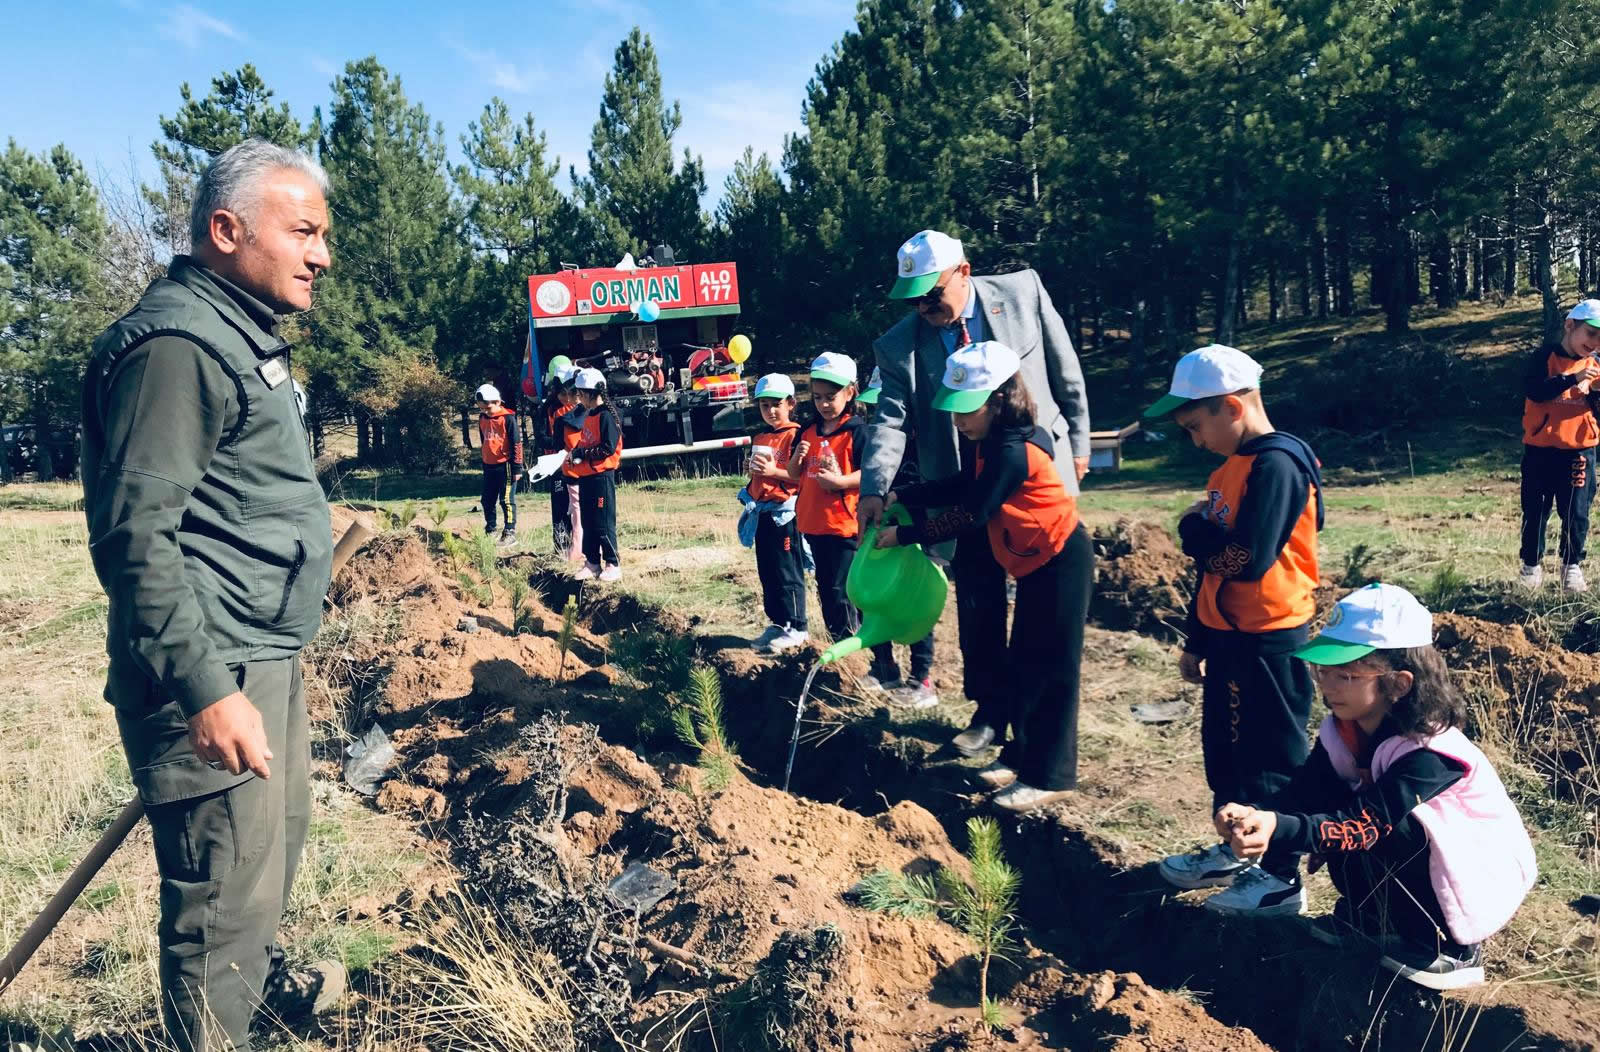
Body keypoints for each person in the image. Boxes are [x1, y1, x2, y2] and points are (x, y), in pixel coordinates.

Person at [80, 139, 344, 1051]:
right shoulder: (178, 347)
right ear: (226, 231)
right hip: (215, 668)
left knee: (261, 878)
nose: (321, 254)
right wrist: (205, 689)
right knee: (222, 905)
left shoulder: (232, 333)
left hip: (254, 654)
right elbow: (135, 536)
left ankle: (251, 1020)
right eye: (303, 232)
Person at [1217, 584, 1536, 990]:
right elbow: (1306, 793)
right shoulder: (1343, 732)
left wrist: (1279, 827)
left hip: (1476, 870)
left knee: (1400, 826)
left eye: (1346, 675)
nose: (1328, 685)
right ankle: (1373, 920)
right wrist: (1255, 814)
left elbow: (1364, 824)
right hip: (1418, 852)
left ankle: (1452, 948)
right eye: (1323, 670)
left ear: (1399, 684)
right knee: (1334, 800)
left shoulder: (1431, 751)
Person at [860, 230, 1092, 754]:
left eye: (932, 295)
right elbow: (890, 423)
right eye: (913, 300)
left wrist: (1079, 443)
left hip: (1030, 471)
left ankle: (1035, 735)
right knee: (978, 605)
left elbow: (1066, 370)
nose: (924, 309)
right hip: (962, 483)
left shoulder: (1023, 293)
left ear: (963, 272)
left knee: (1039, 614)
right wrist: (875, 487)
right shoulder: (897, 346)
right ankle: (989, 712)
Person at [1145, 344, 1324, 916]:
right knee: (1226, 754)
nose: (1195, 441)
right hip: (1228, 636)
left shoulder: (1278, 465)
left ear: (1231, 406)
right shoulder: (1230, 469)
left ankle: (1278, 878)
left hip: (1269, 638)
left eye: (1196, 427)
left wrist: (1191, 530)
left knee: (1269, 758)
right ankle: (1237, 848)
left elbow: (1245, 560)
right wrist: (1198, 638)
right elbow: (1214, 571)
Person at [877, 342, 1091, 810]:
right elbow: (963, 485)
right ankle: (1019, 757)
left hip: (1061, 561)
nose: (957, 420)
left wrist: (905, 535)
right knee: (1025, 663)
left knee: (1053, 670)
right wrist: (906, 494)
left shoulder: (1014, 450)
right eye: (954, 409)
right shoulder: (990, 443)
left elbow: (970, 514)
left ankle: (1050, 775)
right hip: (1034, 563)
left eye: (966, 409)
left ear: (999, 399)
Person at [787, 352, 900, 683]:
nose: (824, 404)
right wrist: (797, 458)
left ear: (850, 392)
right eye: (817, 397)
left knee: (854, 595)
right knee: (829, 594)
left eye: (831, 396)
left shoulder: (858, 432)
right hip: (814, 526)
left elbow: (873, 474)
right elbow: (793, 474)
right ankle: (845, 662)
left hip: (845, 527)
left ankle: (879, 663)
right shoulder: (808, 431)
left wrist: (840, 482)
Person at [858, 366, 937, 708]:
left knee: (915, 601)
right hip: (880, 531)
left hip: (917, 533)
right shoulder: (872, 445)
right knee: (874, 595)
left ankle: (921, 678)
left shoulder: (927, 448)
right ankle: (884, 665)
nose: (880, 416)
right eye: (874, 408)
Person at [1518, 299, 1600, 592]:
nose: (1595, 343)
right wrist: (1570, 380)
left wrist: (1595, 393)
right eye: (1591, 333)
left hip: (1579, 450)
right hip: (1540, 448)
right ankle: (1531, 566)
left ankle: (1571, 566)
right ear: (1569, 325)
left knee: (1577, 511)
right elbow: (1535, 391)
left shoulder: (1596, 366)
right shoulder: (1544, 357)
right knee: (1536, 510)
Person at [742, 373, 810, 654]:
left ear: (791, 403)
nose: (770, 411)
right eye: (764, 405)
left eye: (776, 404)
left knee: (787, 569)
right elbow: (760, 475)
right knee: (768, 569)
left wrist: (773, 471)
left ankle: (797, 625)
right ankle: (778, 621)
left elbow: (801, 476)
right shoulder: (761, 437)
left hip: (785, 512)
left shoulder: (797, 436)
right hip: (763, 513)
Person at [564, 367, 623, 581]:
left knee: (603, 521)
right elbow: (587, 442)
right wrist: (575, 455)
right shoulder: (590, 415)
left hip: (601, 477)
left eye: (580, 394)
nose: (578, 398)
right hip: (587, 475)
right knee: (588, 521)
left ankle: (612, 563)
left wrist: (582, 453)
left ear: (590, 393)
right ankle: (592, 562)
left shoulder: (606, 416)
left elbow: (607, 448)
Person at [537, 357, 582, 560]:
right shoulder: (548, 409)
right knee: (560, 506)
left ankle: (581, 547)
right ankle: (561, 546)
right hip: (556, 465)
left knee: (579, 507)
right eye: (561, 393)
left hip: (579, 464)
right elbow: (542, 438)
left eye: (568, 393)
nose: (565, 398)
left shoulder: (582, 407)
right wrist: (560, 445)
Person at [475, 383, 523, 544]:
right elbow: (484, 439)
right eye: (482, 408)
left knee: (506, 499)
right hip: (489, 465)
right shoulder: (482, 418)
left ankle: (510, 531)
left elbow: (516, 443)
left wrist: (517, 468)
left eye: (488, 408)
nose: (485, 411)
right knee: (487, 499)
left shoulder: (508, 418)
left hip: (506, 465)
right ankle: (491, 529)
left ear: (497, 402)